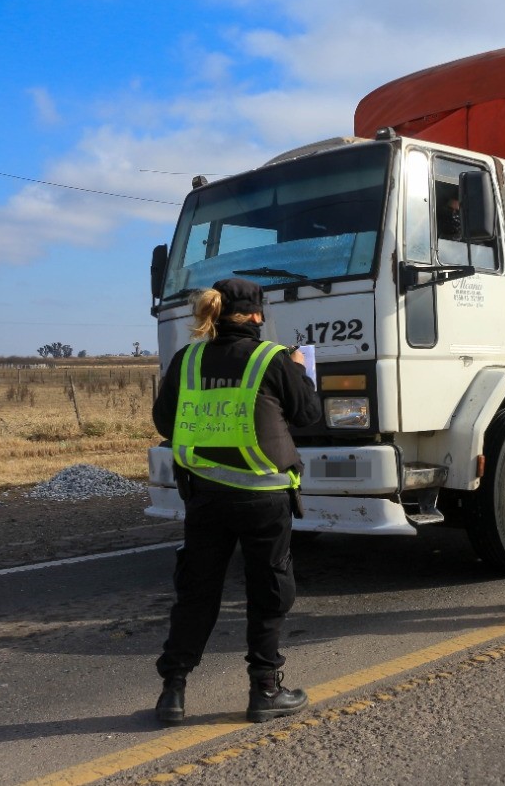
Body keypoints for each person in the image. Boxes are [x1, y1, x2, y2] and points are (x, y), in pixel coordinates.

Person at [151, 277, 322, 724]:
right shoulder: (274, 359)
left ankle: (173, 691)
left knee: (197, 592)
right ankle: (265, 690)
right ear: (257, 315)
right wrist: (300, 370)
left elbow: (164, 422)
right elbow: (307, 415)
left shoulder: (187, 360)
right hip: (264, 497)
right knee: (268, 590)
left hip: (204, 496)